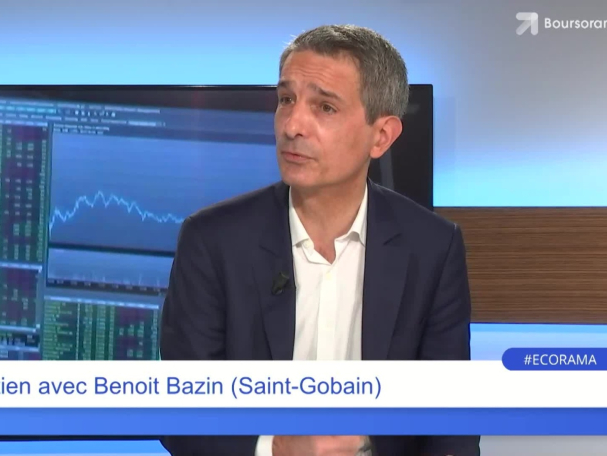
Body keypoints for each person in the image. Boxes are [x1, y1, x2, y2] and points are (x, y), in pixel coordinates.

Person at [159, 24, 480, 456]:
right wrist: (277, 448)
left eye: (325, 107)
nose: (292, 125)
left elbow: (450, 424)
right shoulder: (213, 241)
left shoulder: (433, 247)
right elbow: (181, 414)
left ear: (382, 136)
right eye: (286, 100)